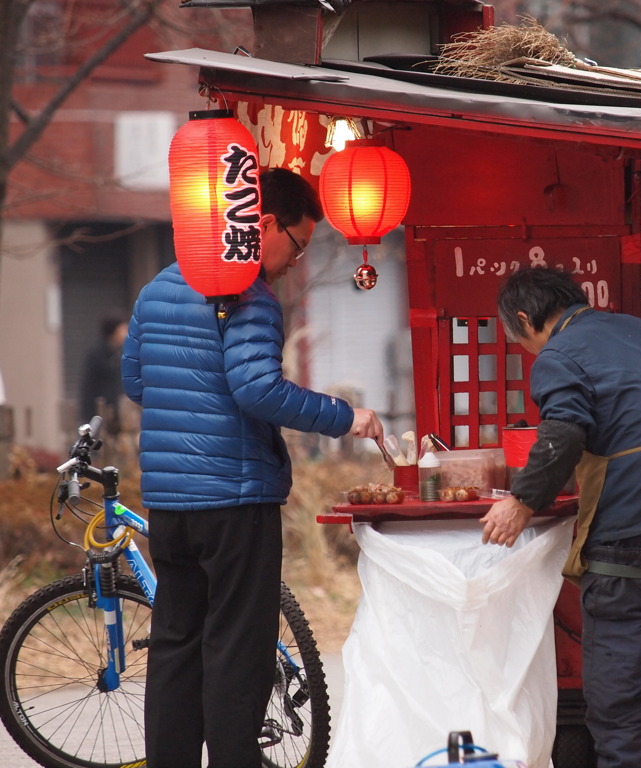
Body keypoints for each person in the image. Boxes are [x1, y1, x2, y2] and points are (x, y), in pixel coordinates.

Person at [122, 167, 383, 768]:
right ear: (264, 224)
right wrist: (347, 418)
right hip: (235, 502)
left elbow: (136, 380)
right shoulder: (250, 296)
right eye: (298, 244)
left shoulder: (159, 284)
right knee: (238, 651)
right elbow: (257, 389)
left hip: (169, 504)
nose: (297, 260)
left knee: (176, 646)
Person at [480, 267, 641, 768]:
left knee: (627, 729)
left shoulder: (559, 355)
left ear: (523, 319)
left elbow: (564, 432)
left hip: (631, 564)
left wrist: (521, 502)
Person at [78, 314, 129, 431]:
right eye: (123, 329)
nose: (126, 333)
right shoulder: (96, 355)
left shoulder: (123, 354)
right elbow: (88, 387)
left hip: (119, 414)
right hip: (99, 414)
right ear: (113, 331)